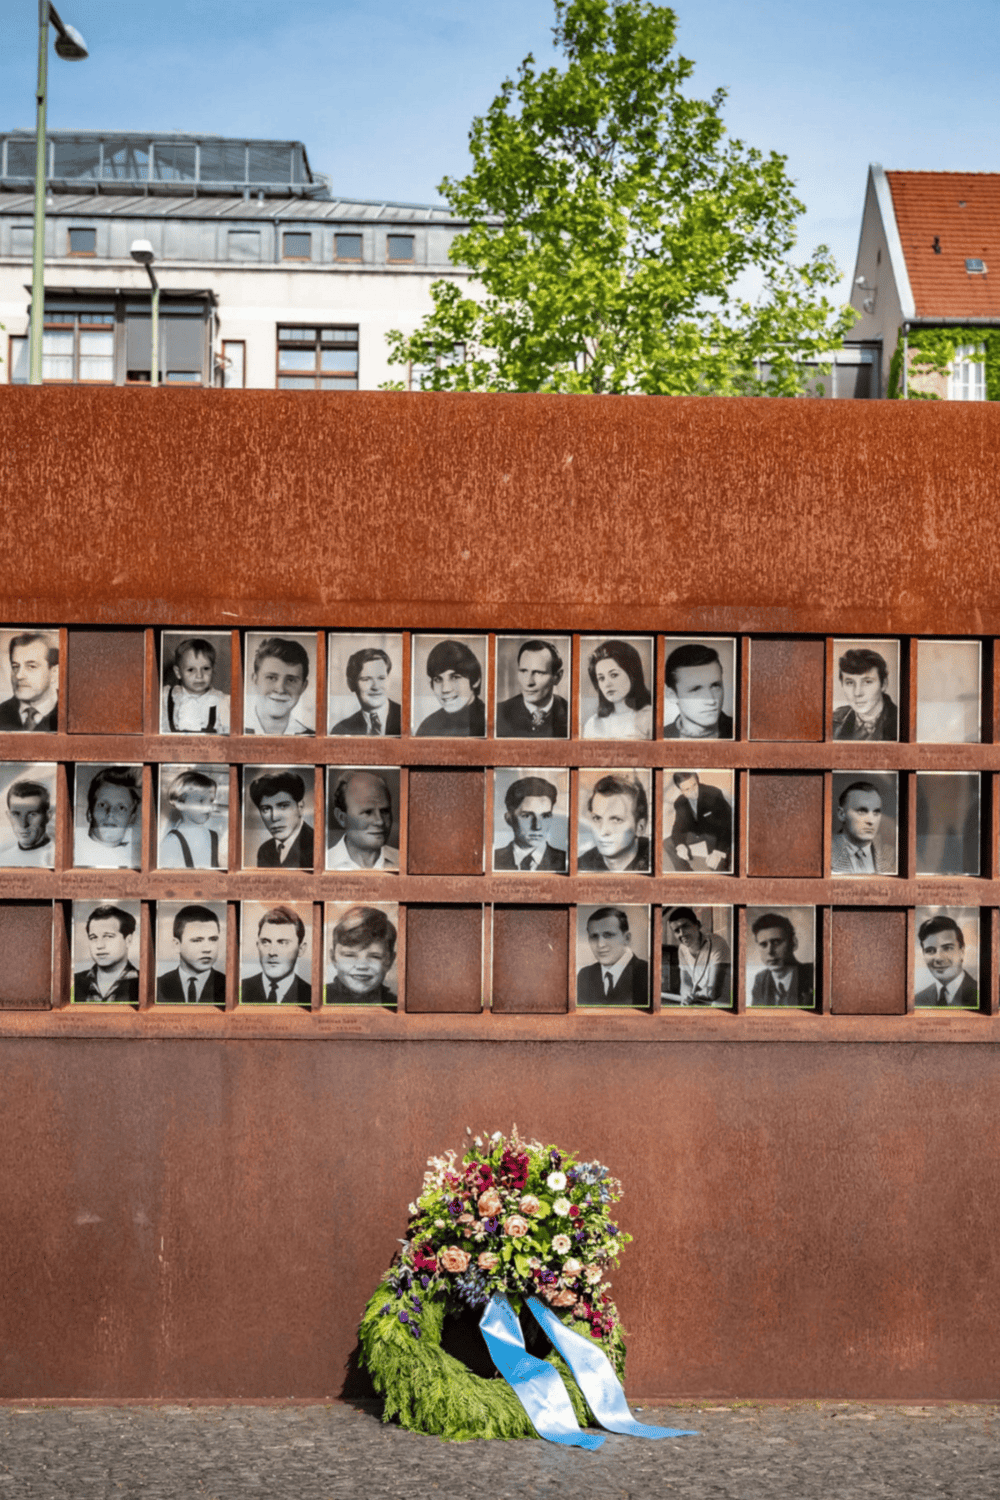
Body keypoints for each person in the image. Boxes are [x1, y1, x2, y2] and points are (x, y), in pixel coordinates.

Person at [495, 640, 569, 738]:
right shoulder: (498, 713)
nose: (529, 682)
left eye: (539, 673)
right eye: (523, 671)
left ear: (557, 677)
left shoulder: (570, 714)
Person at [578, 773, 650, 873]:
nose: (602, 831)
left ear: (640, 827)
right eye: (597, 818)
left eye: (616, 820)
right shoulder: (581, 866)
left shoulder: (659, 859)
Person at [577, 906, 649, 1006]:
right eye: (594, 937)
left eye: (608, 935)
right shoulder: (584, 975)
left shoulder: (648, 974)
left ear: (627, 939)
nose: (600, 944)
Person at [328, 770, 399, 871]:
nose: (380, 821)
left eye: (385, 811)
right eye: (367, 812)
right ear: (341, 818)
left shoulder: (403, 861)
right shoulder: (325, 863)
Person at [582, 640, 652, 741]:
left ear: (632, 674)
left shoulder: (650, 717)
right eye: (601, 678)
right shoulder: (592, 724)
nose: (607, 684)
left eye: (614, 675)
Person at [493, 775, 566, 871]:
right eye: (526, 816)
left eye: (545, 816)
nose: (537, 826)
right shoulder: (493, 860)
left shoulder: (565, 861)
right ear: (509, 819)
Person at [74, 766, 141, 869]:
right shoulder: (73, 854)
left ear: (131, 818)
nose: (110, 813)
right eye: (102, 805)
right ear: (89, 813)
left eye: (121, 808)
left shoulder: (135, 861)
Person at [156, 904, 226, 1004]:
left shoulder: (228, 985)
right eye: (197, 940)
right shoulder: (157, 986)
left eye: (213, 939)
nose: (207, 949)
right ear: (177, 945)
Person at [242, 905, 311, 1005]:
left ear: (301, 949)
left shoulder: (310, 995)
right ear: (258, 946)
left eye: (283, 942)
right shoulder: (241, 988)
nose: (272, 952)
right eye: (265, 942)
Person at [415, 639, 486, 737]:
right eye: (438, 680)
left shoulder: (491, 722)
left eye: (455, 677)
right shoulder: (427, 727)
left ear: (476, 680)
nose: (445, 689)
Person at [245, 637, 314, 736]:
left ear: (303, 687)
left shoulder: (311, 737)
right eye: (271, 678)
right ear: (255, 680)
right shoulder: (232, 729)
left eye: (291, 680)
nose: (280, 689)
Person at [661, 907, 731, 1005]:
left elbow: (713, 992)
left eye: (685, 926)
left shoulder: (718, 944)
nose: (682, 934)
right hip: (700, 1002)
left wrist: (692, 996)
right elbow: (686, 982)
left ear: (697, 925)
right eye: (677, 931)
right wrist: (686, 995)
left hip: (723, 1005)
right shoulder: (682, 948)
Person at [664, 772, 732, 872]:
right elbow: (678, 828)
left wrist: (718, 852)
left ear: (697, 781)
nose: (693, 791)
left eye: (694, 785)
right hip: (696, 833)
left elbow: (728, 825)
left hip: (715, 834)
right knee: (668, 843)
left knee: (718, 869)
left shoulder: (713, 794)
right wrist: (680, 845)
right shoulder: (680, 802)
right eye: (687, 789)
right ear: (681, 790)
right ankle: (685, 874)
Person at [160, 637, 230, 735]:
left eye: (206, 669)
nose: (199, 676)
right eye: (191, 670)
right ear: (178, 672)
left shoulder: (222, 702)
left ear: (213, 669)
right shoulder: (165, 697)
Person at [327, 905, 397, 1002]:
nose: (362, 966)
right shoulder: (318, 998)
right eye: (349, 955)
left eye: (375, 956)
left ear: (390, 961)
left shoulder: (396, 1003)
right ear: (333, 958)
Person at [664, 643, 733, 740]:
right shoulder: (661, 735)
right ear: (672, 695)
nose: (711, 700)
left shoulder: (741, 730)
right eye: (695, 689)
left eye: (715, 686)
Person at [74, 904, 139, 1004]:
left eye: (108, 936)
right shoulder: (75, 982)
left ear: (128, 940)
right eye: (93, 937)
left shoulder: (143, 982)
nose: (99, 945)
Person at [248, 770, 313, 869]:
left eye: (283, 806)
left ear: (300, 807)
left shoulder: (318, 846)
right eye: (266, 809)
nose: (274, 817)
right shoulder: (264, 850)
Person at [160, 769, 224, 870]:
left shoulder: (214, 837)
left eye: (211, 801)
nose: (209, 807)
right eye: (201, 801)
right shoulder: (172, 842)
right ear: (180, 804)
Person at [331, 647, 401, 736]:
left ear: (389, 680)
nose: (376, 687)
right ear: (351, 684)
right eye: (366, 679)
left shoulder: (407, 718)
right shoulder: (341, 730)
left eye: (381, 678)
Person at [832, 647, 898, 741]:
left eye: (867, 682)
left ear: (883, 684)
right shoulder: (832, 720)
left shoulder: (901, 722)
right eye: (850, 683)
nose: (857, 693)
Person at [749, 912, 814, 1007]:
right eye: (763, 945)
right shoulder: (760, 979)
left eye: (776, 942)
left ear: (794, 943)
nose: (770, 951)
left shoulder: (813, 974)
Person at [0, 631, 58, 732]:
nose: (18, 675)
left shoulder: (74, 714)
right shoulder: (1, 713)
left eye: (31, 666)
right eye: (15, 667)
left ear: (54, 672)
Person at [915, 915, 978, 1007]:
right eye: (930, 950)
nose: (939, 958)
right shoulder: (918, 999)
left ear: (962, 951)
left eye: (947, 948)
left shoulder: (981, 994)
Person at [831, 780, 890, 875]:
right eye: (862, 811)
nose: (871, 821)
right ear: (841, 814)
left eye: (876, 812)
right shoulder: (824, 853)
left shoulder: (891, 856)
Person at [0, 778, 54, 868]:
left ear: (48, 816)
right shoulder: (2, 859)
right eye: (16, 814)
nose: (23, 824)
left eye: (32, 814)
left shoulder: (59, 858)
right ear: (9, 816)